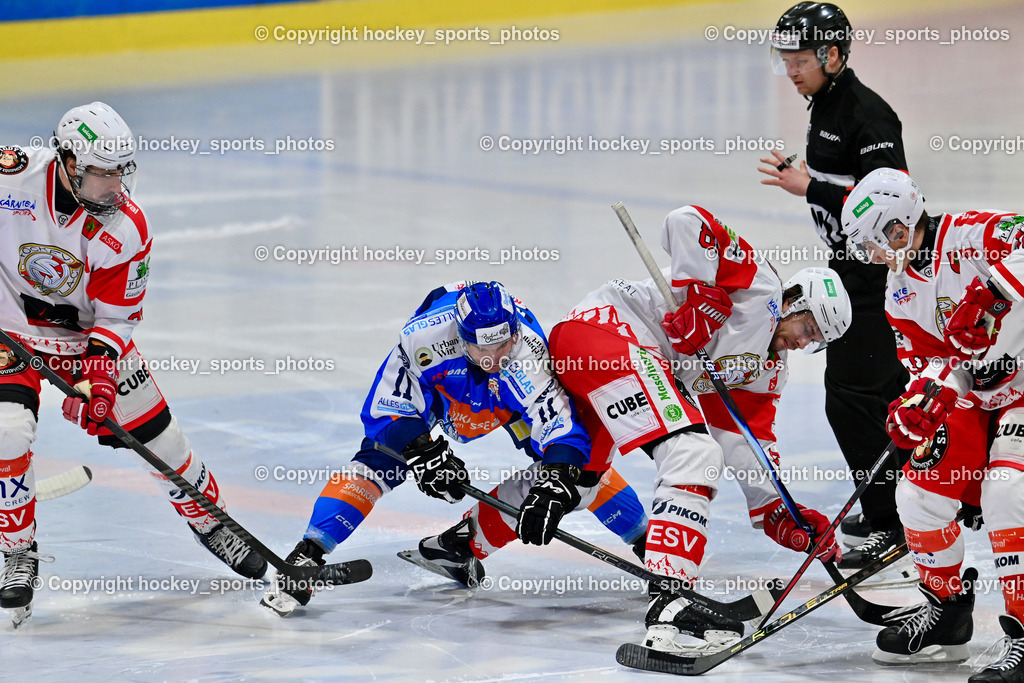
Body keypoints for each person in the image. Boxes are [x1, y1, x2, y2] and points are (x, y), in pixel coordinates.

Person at [0, 102, 266, 625]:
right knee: (5, 434)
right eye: (103, 172)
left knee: (161, 439)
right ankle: (17, 550)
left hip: (85, 341)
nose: (116, 184)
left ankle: (210, 519)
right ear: (69, 162)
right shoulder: (12, 176)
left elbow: (116, 320)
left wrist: (97, 385)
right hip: (10, 333)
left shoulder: (128, 227)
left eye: (122, 170)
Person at [545, 204, 848, 654]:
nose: (804, 343)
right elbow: (686, 220)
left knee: (577, 480)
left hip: (622, 370)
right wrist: (698, 295)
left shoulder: (766, 370)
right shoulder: (759, 284)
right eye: (807, 327)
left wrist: (780, 513)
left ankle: (462, 544)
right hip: (603, 336)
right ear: (793, 300)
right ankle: (671, 599)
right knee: (694, 454)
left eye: (815, 341)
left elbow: (745, 441)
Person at [260, 281, 649, 616]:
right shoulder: (422, 338)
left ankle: (650, 543)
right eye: (486, 347)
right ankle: (307, 553)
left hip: (505, 397)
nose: (497, 356)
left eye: (504, 342)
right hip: (444, 388)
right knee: (380, 459)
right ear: (462, 337)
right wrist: (421, 450)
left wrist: (557, 481)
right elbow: (386, 409)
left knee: (581, 473)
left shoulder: (526, 353)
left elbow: (558, 425)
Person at [841, 168, 1024, 680]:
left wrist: (992, 294)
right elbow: (939, 363)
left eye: (875, 241)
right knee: (917, 492)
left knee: (1007, 492)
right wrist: (923, 401)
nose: (872, 255)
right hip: (981, 396)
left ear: (900, 228)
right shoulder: (898, 291)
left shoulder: (975, 235)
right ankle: (946, 612)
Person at [757, 1, 911, 569]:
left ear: (834, 55)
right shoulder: (827, 101)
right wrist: (815, 178)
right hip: (853, 267)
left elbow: (891, 216)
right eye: (786, 59)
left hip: (873, 276)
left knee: (851, 399)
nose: (792, 69)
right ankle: (919, 501)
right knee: (888, 390)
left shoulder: (868, 117)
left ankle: (894, 522)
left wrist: (809, 187)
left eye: (801, 58)